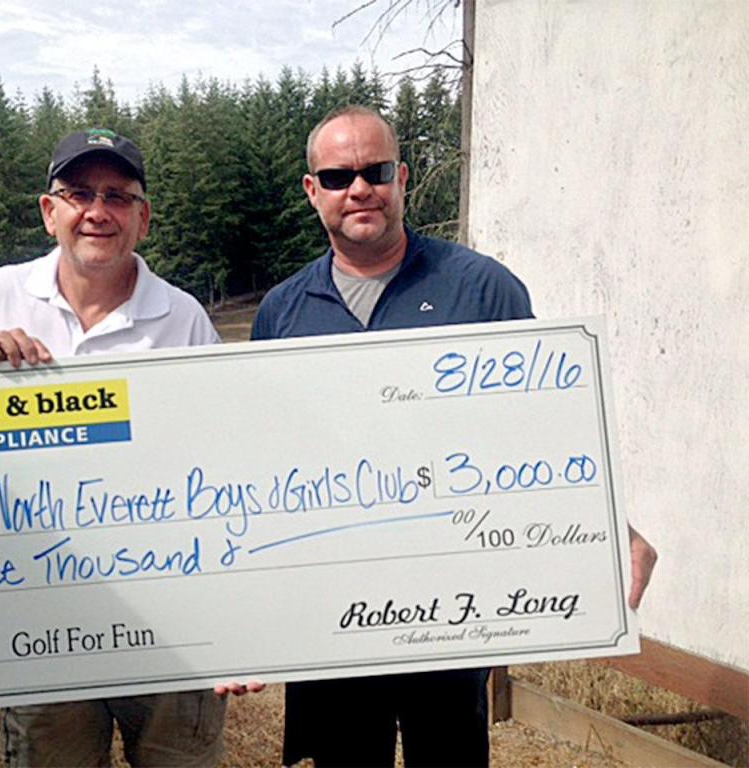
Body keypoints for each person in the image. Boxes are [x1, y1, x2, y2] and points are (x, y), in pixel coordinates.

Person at [251, 105, 658, 768]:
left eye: (376, 171)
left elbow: (543, 431)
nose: (359, 188)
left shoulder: (483, 290)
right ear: (311, 189)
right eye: (338, 175)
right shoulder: (281, 312)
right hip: (336, 611)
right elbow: (261, 461)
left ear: (402, 178)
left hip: (451, 608)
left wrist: (608, 521)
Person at [0, 128, 227, 767]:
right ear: (50, 211)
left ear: (143, 219)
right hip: (40, 613)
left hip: (169, 617)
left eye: (118, 196)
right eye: (78, 193)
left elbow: (229, 464)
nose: (98, 211)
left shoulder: (183, 320)